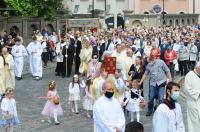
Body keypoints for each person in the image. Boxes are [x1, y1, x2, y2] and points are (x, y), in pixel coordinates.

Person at [184, 61, 200, 132]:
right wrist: (198, 94)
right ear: (197, 68)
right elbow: (187, 89)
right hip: (193, 102)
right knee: (194, 122)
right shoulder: (189, 75)